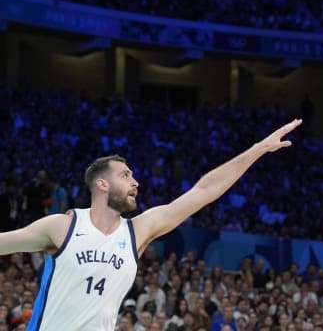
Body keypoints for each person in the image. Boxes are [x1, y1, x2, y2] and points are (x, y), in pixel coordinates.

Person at [0, 119, 302, 330]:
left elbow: (204, 191)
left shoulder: (138, 231)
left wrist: (258, 149)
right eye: (126, 175)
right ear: (102, 184)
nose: (136, 182)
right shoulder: (62, 226)